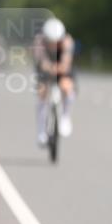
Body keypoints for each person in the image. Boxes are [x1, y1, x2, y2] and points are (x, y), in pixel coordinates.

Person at [33, 17, 76, 145]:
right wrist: (49, 68)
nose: (53, 45)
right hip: (45, 69)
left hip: (61, 67)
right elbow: (41, 61)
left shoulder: (67, 41)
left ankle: (65, 116)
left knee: (67, 87)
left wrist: (60, 67)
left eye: (56, 42)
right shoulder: (39, 42)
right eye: (51, 42)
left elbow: (67, 60)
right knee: (42, 92)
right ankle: (41, 130)